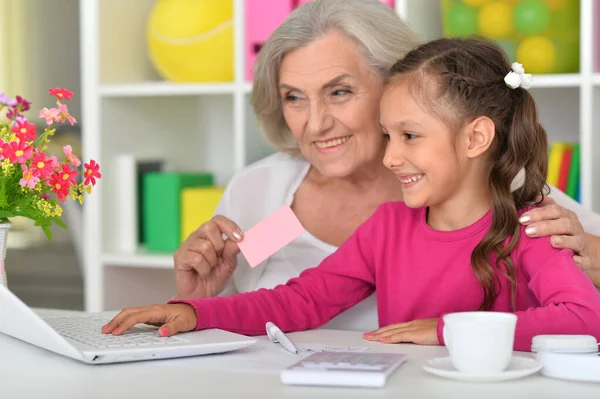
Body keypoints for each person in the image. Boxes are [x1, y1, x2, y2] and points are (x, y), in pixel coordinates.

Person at [104, 37, 600, 352]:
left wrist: (448, 330)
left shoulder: (534, 221)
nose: (390, 156)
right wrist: (194, 311)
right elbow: (301, 300)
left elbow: (583, 318)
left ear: (475, 138)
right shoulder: (381, 225)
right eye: (294, 97)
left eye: (408, 135)